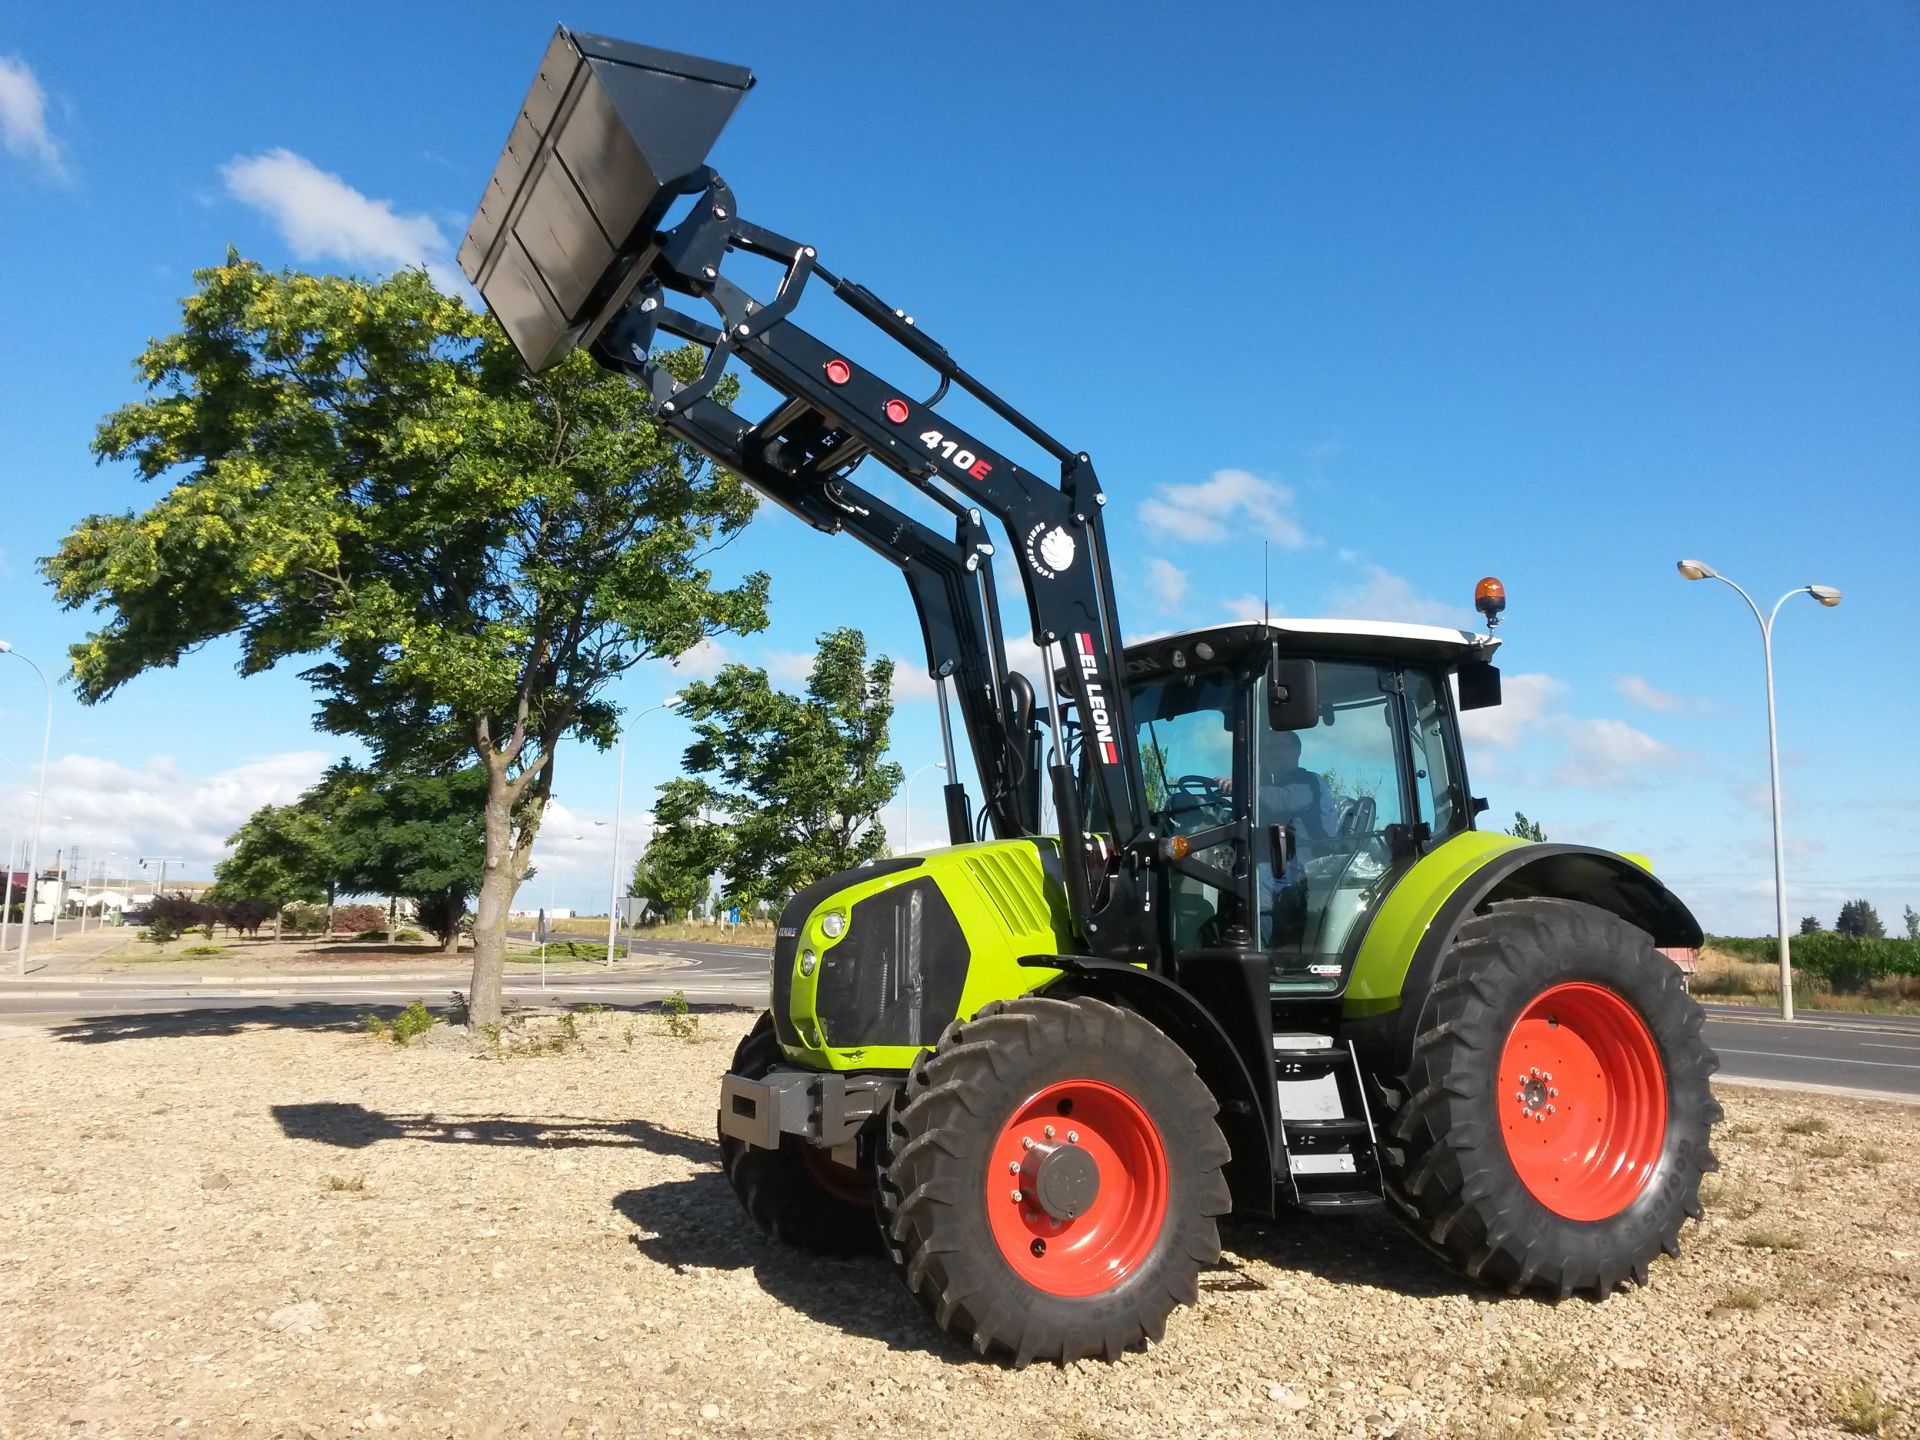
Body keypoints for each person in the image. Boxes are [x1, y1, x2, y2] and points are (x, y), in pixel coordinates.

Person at [1257, 728, 1337, 950]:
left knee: (1255, 878)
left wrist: (1242, 788)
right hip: (1285, 863)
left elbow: (1281, 801)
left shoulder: (1309, 783)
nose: (1273, 753)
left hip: (1304, 869)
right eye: (1268, 749)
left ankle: (1259, 949)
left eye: (1279, 747)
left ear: (1296, 752)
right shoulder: (1275, 789)